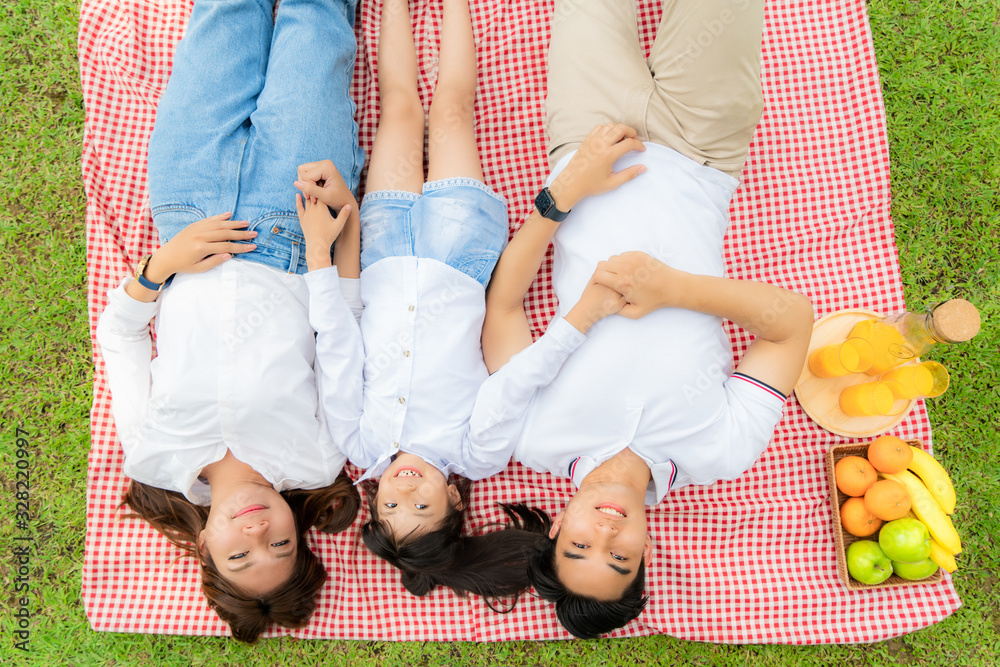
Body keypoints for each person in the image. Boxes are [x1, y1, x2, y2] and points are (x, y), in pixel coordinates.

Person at [470, 0, 814, 638]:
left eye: (578, 548)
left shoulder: (532, 437)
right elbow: (792, 323)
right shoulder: (719, 451)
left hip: (587, 142)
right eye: (619, 556)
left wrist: (564, 191)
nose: (603, 532)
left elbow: (504, 303)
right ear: (648, 553)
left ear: (555, 529)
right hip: (702, 149)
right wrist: (674, 288)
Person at [96, 0, 365, 642]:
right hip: (296, 226)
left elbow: (120, 335)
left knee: (224, 15)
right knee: (317, 22)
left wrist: (162, 264)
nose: (256, 534)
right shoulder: (320, 457)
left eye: (240, 555)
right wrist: (342, 220)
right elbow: (343, 330)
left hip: (189, 205)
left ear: (206, 549)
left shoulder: (153, 457)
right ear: (300, 536)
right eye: (280, 547)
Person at [297, 0, 547, 606]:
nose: (405, 489)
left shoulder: (356, 445)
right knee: (454, 113)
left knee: (401, 110)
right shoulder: (479, 453)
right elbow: (514, 374)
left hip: (382, 247)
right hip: (460, 253)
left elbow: (339, 342)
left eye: (391, 504)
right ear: (455, 499)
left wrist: (323, 256)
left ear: (373, 498)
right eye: (423, 505)